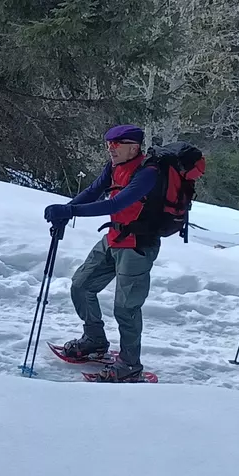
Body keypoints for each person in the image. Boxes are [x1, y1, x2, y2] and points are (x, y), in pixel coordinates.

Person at [42, 124, 165, 381]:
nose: (110, 149)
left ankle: (130, 365)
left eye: (116, 144)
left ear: (134, 147)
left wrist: (71, 212)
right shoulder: (113, 167)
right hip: (113, 237)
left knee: (126, 307)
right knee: (81, 285)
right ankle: (95, 341)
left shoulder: (148, 173)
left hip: (138, 245)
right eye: (108, 144)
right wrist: (66, 209)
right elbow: (93, 191)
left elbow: (118, 202)